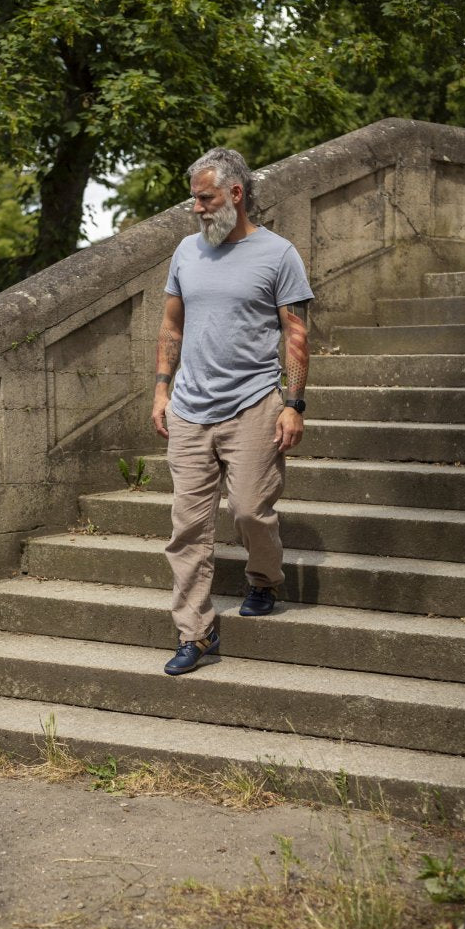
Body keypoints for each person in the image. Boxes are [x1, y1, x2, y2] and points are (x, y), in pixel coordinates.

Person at [151, 147, 313, 676]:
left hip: (254, 405)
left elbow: (296, 335)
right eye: (194, 198)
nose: (196, 208)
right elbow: (172, 326)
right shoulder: (185, 252)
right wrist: (160, 390)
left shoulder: (279, 254)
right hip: (191, 410)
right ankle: (196, 635)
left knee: (248, 512)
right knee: (187, 530)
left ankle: (264, 579)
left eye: (205, 197)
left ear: (235, 194)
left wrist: (293, 405)